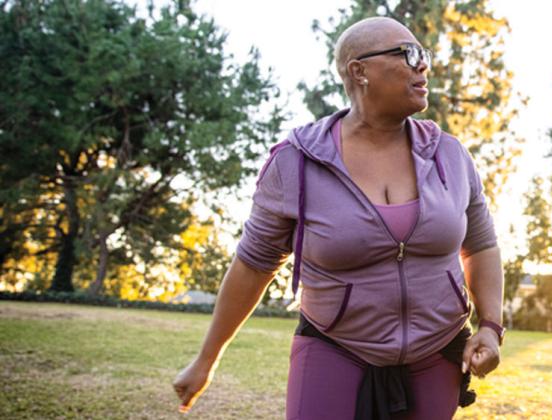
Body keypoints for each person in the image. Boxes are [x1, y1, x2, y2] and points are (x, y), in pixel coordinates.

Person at [172, 17, 505, 420]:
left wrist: (489, 325)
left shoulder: (450, 155)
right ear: (358, 70)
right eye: (409, 54)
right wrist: (207, 359)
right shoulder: (296, 162)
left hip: (436, 352)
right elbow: (254, 264)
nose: (424, 66)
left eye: (425, 56)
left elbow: (481, 245)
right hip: (335, 348)